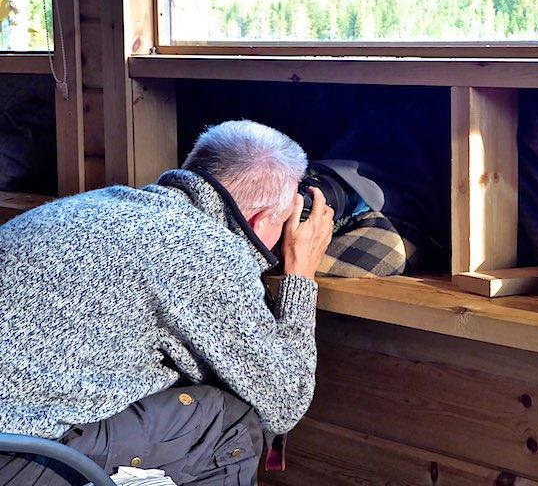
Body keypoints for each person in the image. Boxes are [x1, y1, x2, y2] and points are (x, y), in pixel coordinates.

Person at [0, 120, 334, 485]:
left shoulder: (95, 203)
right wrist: (301, 276)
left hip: (13, 427)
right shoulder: (206, 251)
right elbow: (284, 403)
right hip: (19, 457)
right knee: (229, 420)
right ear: (259, 220)